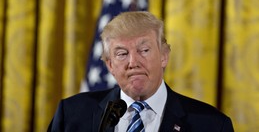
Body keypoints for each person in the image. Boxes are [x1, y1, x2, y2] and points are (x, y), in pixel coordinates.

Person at [48, 11, 234, 132]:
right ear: (110, 65)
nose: (133, 62)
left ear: (164, 56)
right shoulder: (71, 116)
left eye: (144, 51)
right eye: (122, 53)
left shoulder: (212, 125)